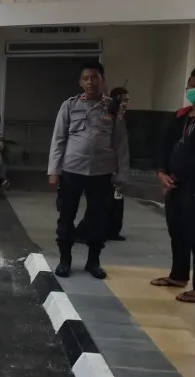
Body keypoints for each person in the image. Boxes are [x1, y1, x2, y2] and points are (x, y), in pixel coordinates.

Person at [47, 61, 130, 279]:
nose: (90, 82)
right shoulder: (70, 105)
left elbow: (121, 143)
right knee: (66, 216)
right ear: (80, 82)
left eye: (95, 77)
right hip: (72, 170)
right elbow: (58, 139)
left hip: (101, 173)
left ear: (102, 80)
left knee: (98, 218)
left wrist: (122, 173)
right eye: (86, 78)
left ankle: (94, 262)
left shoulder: (113, 107)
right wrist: (54, 171)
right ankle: (65, 260)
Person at [150, 66, 195, 304]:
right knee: (178, 231)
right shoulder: (181, 116)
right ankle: (178, 275)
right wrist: (162, 172)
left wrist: (184, 176)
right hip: (175, 184)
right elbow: (166, 146)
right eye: (193, 85)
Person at [75, 87, 131, 243]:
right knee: (100, 203)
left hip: (116, 164)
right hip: (106, 165)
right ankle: (85, 231)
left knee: (115, 201)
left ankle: (112, 230)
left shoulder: (120, 116)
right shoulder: (108, 115)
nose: (126, 103)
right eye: (124, 100)